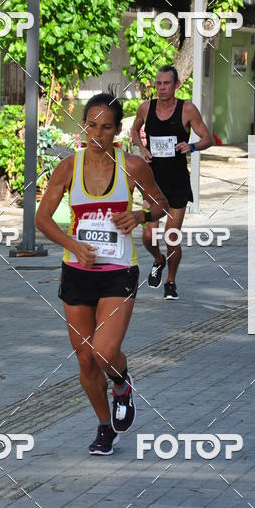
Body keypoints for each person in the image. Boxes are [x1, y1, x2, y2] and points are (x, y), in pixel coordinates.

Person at [36, 93, 168, 456]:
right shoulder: (68, 167)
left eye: (106, 127)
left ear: (118, 129)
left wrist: (140, 216)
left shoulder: (133, 166)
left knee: (104, 352)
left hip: (118, 270)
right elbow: (42, 218)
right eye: (92, 125)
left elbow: (160, 203)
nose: (98, 133)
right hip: (77, 270)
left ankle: (121, 384)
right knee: (85, 358)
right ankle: (105, 426)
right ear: (84, 126)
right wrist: (74, 245)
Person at [130, 65, 213, 300]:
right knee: (149, 236)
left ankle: (170, 281)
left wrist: (192, 146)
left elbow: (208, 139)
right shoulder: (146, 108)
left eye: (167, 83)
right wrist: (142, 148)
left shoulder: (187, 109)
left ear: (176, 85)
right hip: (153, 182)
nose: (162, 87)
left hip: (177, 181)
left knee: (171, 235)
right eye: (158, 83)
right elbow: (134, 130)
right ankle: (158, 260)